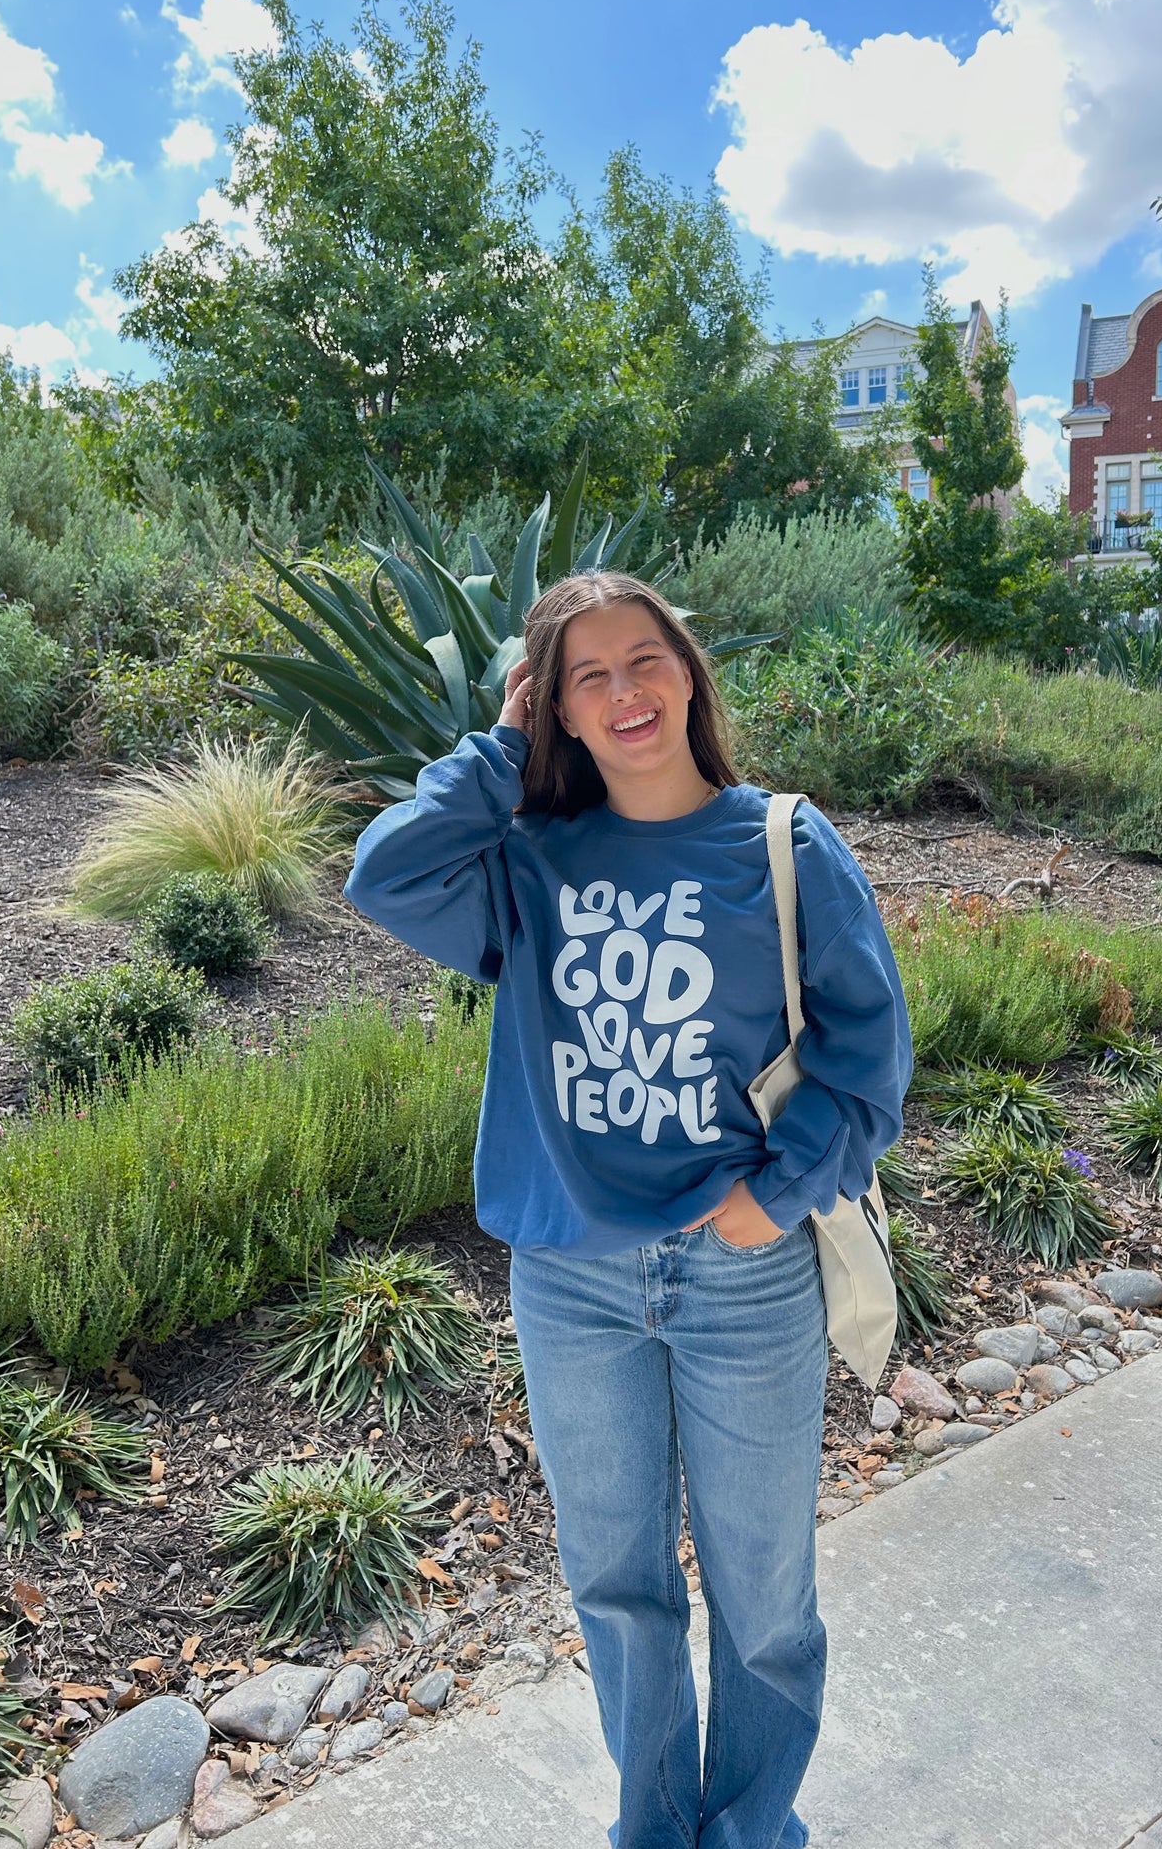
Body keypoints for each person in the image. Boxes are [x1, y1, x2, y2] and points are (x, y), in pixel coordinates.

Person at [345, 570, 912, 1849]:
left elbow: (868, 1061)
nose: (623, 690)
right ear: (556, 707)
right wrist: (499, 745)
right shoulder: (532, 858)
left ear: (686, 670)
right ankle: (653, 1832)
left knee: (763, 1593)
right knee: (616, 1587)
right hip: (571, 1277)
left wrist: (776, 1197)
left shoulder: (781, 841)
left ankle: (752, 1829)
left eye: (641, 657)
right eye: (584, 675)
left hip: (740, 1274)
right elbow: (381, 876)